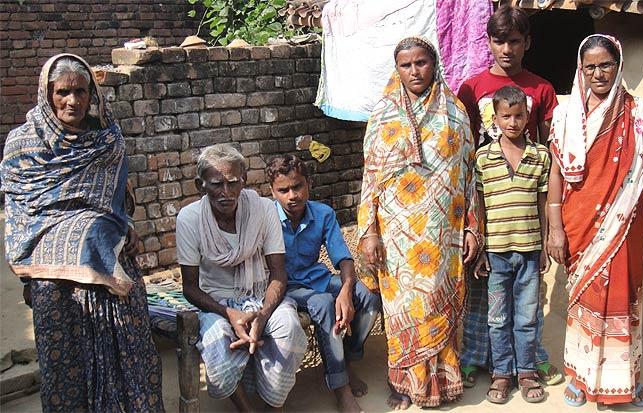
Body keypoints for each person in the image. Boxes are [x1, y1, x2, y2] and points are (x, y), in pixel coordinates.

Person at [0, 54, 164, 412]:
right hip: (52, 278)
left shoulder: (106, 139)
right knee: (65, 368)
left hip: (108, 266)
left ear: (92, 95)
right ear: (47, 93)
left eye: (81, 91)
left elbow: (119, 197)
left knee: (131, 355)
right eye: (63, 92)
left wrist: (127, 225)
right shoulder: (23, 146)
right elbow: (21, 212)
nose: (72, 101)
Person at [358, 36, 481, 409]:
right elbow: (370, 178)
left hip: (444, 233)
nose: (415, 71)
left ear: (434, 64)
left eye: (421, 63)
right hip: (397, 236)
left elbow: (469, 175)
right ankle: (403, 382)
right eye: (406, 65)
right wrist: (370, 233)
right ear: (397, 69)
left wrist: (474, 226)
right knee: (401, 311)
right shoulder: (382, 115)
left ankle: (440, 383)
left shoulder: (456, 113)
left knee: (437, 304)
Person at [546, 34, 643, 408]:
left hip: (626, 226)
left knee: (623, 300)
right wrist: (554, 228)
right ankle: (580, 379)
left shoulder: (642, 115)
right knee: (585, 298)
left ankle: (624, 378)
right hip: (579, 223)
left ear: (619, 65)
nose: (598, 73)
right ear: (580, 71)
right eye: (590, 67)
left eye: (606, 65)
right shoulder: (566, 116)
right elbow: (556, 174)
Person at [456, 4, 563, 388]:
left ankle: (530, 361)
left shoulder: (542, 88)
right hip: (484, 196)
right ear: (488, 42)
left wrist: (551, 226)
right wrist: (471, 221)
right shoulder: (471, 88)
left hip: (524, 209)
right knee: (481, 288)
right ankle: (473, 359)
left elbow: (551, 154)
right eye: (499, 40)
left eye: (514, 41)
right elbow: (463, 147)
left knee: (525, 303)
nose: (506, 49)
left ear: (527, 43)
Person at [176, 143, 307, 412]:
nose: (226, 193)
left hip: (260, 294)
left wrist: (263, 312)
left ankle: (274, 406)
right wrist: (230, 314)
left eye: (233, 183)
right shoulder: (189, 219)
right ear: (200, 185)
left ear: (244, 180)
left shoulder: (264, 209)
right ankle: (246, 409)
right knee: (218, 345)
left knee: (289, 329)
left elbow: (278, 273)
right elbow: (190, 287)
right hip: (214, 301)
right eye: (216, 184)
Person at [266, 154, 381, 413]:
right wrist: (336, 297)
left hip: (316, 277)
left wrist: (346, 291)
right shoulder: (266, 218)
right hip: (285, 286)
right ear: (272, 192)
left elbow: (343, 258)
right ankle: (341, 388)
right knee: (324, 303)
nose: (292, 195)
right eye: (283, 190)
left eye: (298, 186)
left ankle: (346, 362)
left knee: (369, 298)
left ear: (308, 184)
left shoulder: (323, 213)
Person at [474, 86, 550, 404]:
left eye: (519, 115)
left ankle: (527, 373)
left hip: (530, 251)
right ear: (496, 117)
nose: (513, 122)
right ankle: (502, 374)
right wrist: (479, 247)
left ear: (527, 115)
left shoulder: (540, 156)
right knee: (497, 318)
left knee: (527, 316)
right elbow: (478, 206)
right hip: (496, 254)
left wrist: (544, 246)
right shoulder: (483, 158)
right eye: (506, 116)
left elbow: (543, 203)